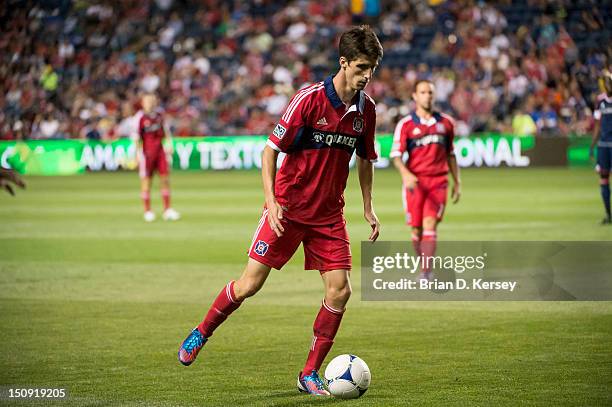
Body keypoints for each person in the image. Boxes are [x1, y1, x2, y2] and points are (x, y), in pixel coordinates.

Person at [177, 25, 383, 396]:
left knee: (340, 291)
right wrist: (272, 202)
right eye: (362, 67)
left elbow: (366, 158)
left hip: (328, 215)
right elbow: (270, 150)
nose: (367, 76)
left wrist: (368, 206)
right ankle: (202, 331)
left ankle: (309, 373)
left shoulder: (366, 111)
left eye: (372, 68)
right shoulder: (308, 100)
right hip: (287, 209)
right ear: (344, 62)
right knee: (248, 285)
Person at [390, 79, 460, 281]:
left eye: (430, 92)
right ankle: (424, 266)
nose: (427, 96)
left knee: (430, 225)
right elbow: (396, 155)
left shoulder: (446, 123)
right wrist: (406, 174)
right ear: (414, 96)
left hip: (438, 181)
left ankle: (426, 272)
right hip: (415, 183)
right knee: (416, 229)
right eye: (423, 92)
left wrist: (458, 182)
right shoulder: (406, 124)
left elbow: (451, 155)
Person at [137, 93, 180, 222]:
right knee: (146, 181)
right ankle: (147, 211)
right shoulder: (140, 118)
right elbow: (136, 138)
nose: (150, 103)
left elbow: (166, 132)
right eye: (147, 101)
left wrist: (169, 144)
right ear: (143, 103)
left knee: (165, 179)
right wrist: (137, 154)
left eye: (152, 100)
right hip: (147, 153)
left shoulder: (160, 116)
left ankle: (167, 210)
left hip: (160, 151)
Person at [589, 71, 612, 224]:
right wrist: (592, 145)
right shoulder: (600, 101)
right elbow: (597, 125)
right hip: (603, 146)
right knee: (603, 179)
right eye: (605, 83)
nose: (606, 85)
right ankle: (609, 215)